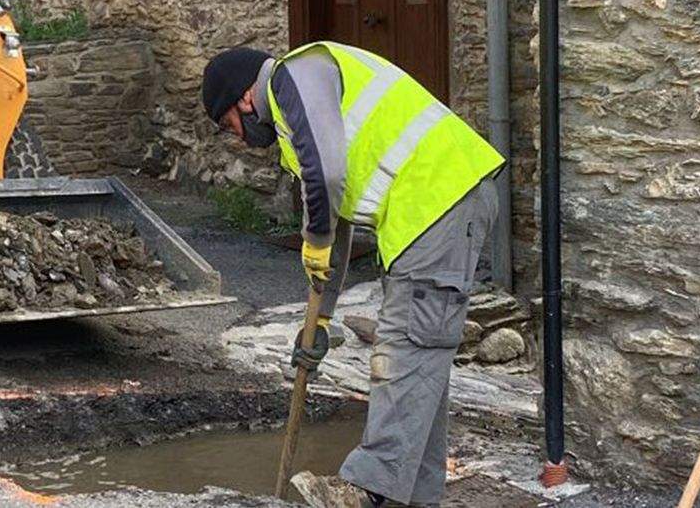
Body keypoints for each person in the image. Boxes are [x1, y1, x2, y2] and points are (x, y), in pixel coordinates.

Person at [201, 42, 504, 508]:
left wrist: (315, 239)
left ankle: (368, 488)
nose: (239, 138)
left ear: (243, 98)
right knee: (422, 361)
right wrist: (319, 319)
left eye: (229, 125)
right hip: (433, 206)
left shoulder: (295, 75)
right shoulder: (297, 117)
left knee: (404, 346)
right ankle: (413, 497)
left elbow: (326, 183)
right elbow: (334, 222)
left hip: (437, 197)